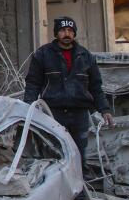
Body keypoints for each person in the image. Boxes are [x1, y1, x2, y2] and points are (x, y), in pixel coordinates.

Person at [24, 17, 113, 168]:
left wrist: (105, 110)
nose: (67, 33)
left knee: (79, 155)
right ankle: (58, 189)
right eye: (63, 30)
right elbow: (33, 83)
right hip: (53, 113)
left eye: (70, 31)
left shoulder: (85, 56)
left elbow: (96, 87)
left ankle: (80, 190)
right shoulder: (43, 54)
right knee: (55, 153)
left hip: (79, 114)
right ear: (56, 33)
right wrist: (28, 108)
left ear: (74, 33)